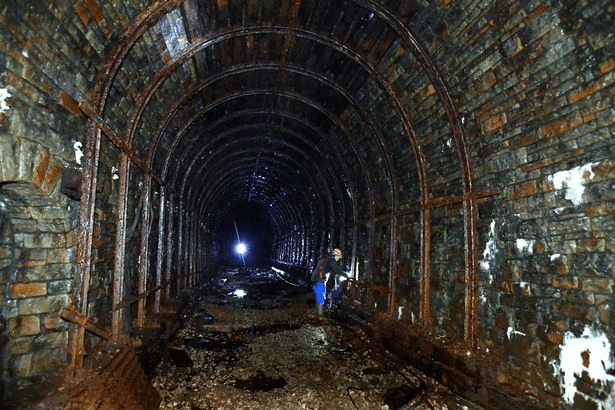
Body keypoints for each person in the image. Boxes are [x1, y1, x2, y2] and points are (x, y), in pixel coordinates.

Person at [310, 248, 348, 317]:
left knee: (320, 297)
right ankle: (320, 316)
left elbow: (332, 272)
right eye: (338, 257)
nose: (338, 259)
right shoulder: (331, 260)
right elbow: (336, 269)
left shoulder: (326, 260)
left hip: (317, 280)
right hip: (319, 280)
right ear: (335, 255)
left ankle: (318, 313)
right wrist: (345, 275)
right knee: (321, 297)